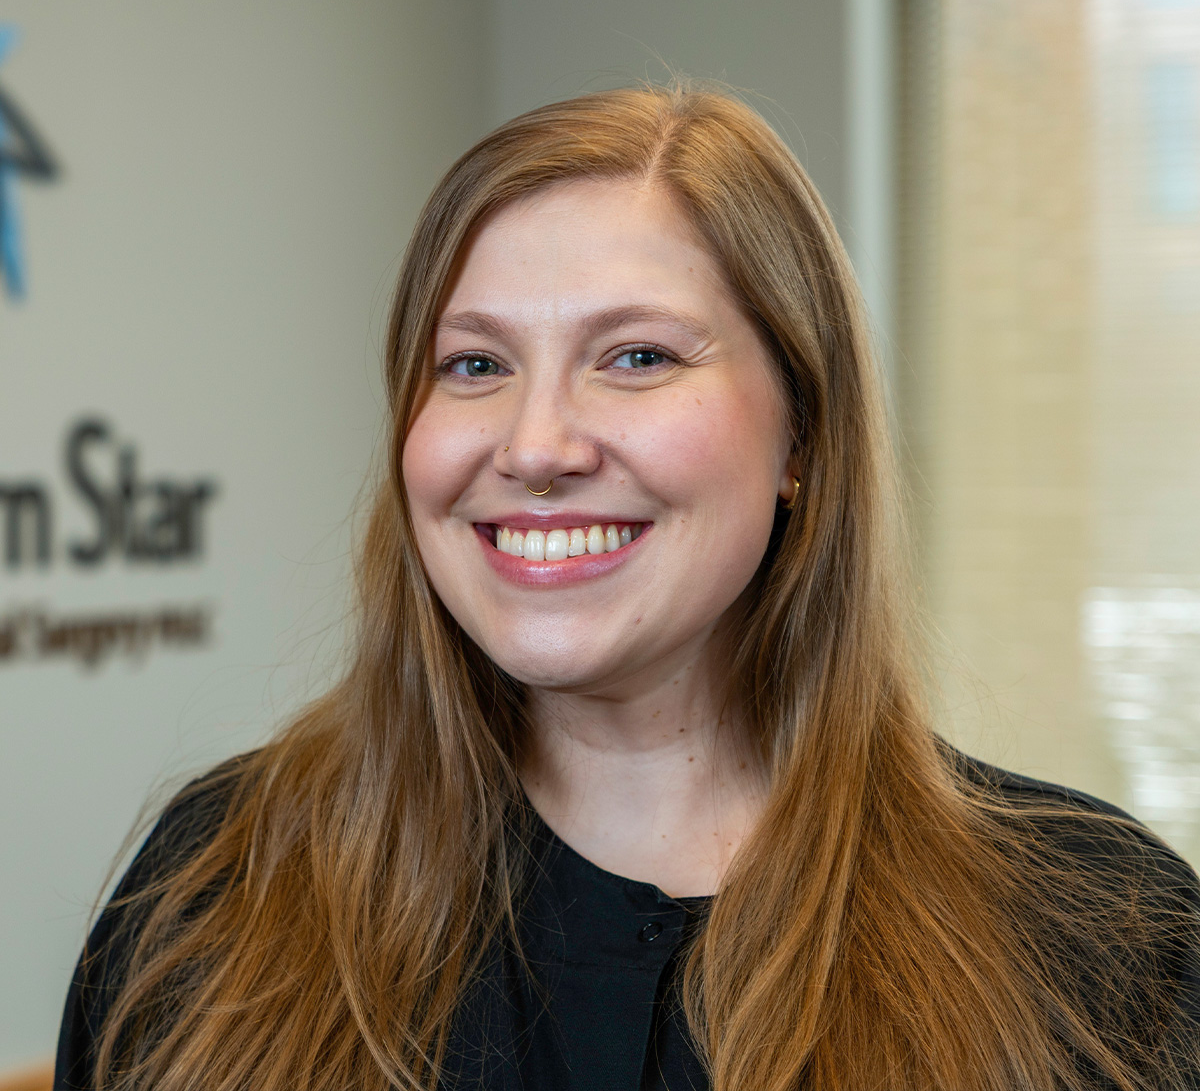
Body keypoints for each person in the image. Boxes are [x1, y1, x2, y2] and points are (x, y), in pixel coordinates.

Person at [56, 85, 1200, 1091]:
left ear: (802, 431)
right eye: (476, 365)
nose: (537, 444)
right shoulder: (219, 890)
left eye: (638, 357)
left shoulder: (1099, 943)